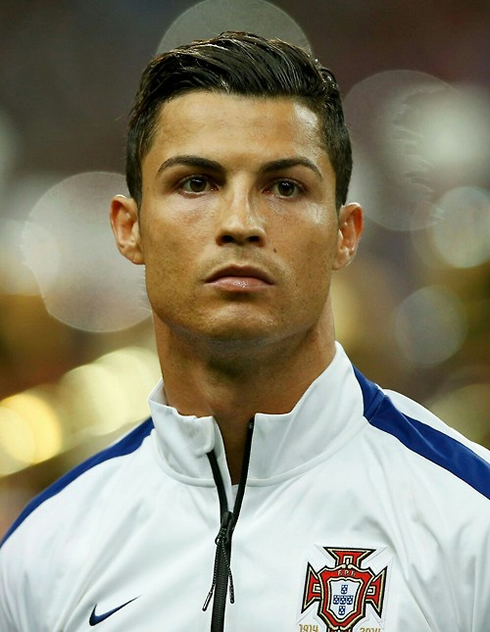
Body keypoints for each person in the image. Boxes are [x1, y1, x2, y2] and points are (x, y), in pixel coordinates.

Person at [1, 31, 489, 632]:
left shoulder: (471, 521)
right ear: (129, 228)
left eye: (285, 187)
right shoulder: (42, 552)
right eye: (196, 183)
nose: (240, 223)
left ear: (346, 234)